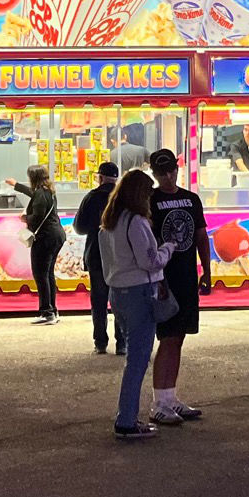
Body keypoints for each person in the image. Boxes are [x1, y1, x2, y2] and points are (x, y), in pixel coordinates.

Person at [100, 169, 175, 439]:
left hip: (117, 291)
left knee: (135, 355)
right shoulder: (136, 222)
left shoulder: (110, 221)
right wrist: (168, 248)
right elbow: (149, 261)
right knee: (138, 360)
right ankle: (127, 420)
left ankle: (127, 416)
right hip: (139, 292)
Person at [148, 147, 210, 425]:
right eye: (162, 172)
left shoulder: (190, 198)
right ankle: (159, 402)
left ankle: (170, 397)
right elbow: (148, 243)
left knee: (179, 338)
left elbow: (200, 236)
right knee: (168, 339)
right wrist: (157, 279)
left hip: (186, 276)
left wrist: (207, 271)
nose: (168, 176)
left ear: (177, 169)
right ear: (155, 173)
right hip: (163, 278)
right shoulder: (150, 200)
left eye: (171, 170)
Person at [74, 162, 122, 355]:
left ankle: (100, 342)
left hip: (97, 255)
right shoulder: (124, 197)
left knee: (99, 300)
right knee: (120, 300)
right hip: (121, 255)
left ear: (100, 178)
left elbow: (79, 228)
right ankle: (123, 343)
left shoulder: (91, 197)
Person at [10, 165, 64, 324]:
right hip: (56, 235)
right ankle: (52, 310)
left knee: (40, 274)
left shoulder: (41, 193)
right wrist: (16, 185)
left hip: (45, 237)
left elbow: (38, 216)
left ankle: (46, 312)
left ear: (33, 178)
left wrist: (25, 218)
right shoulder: (48, 191)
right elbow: (33, 195)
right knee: (48, 274)